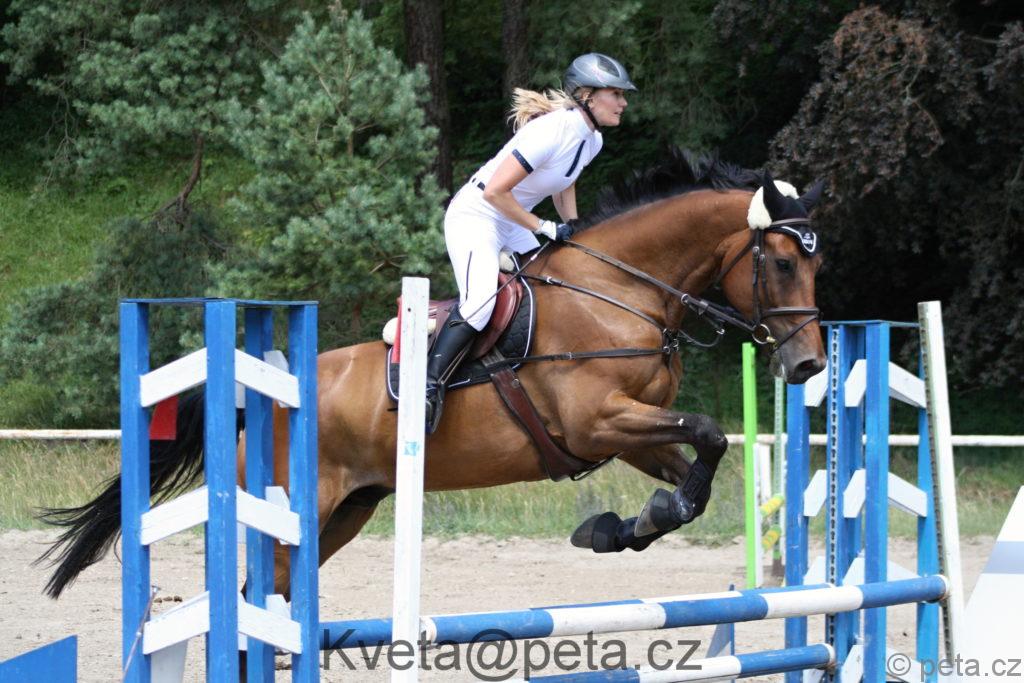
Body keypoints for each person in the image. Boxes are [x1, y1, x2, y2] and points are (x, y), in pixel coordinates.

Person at [425, 52, 636, 433]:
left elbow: (565, 183)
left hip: (512, 219)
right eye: (616, 94)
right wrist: (545, 227)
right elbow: (494, 192)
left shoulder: (592, 140)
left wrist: (573, 227)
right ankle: (428, 386)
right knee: (479, 304)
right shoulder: (551, 131)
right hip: (477, 214)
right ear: (587, 96)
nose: (623, 103)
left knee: (558, 282)